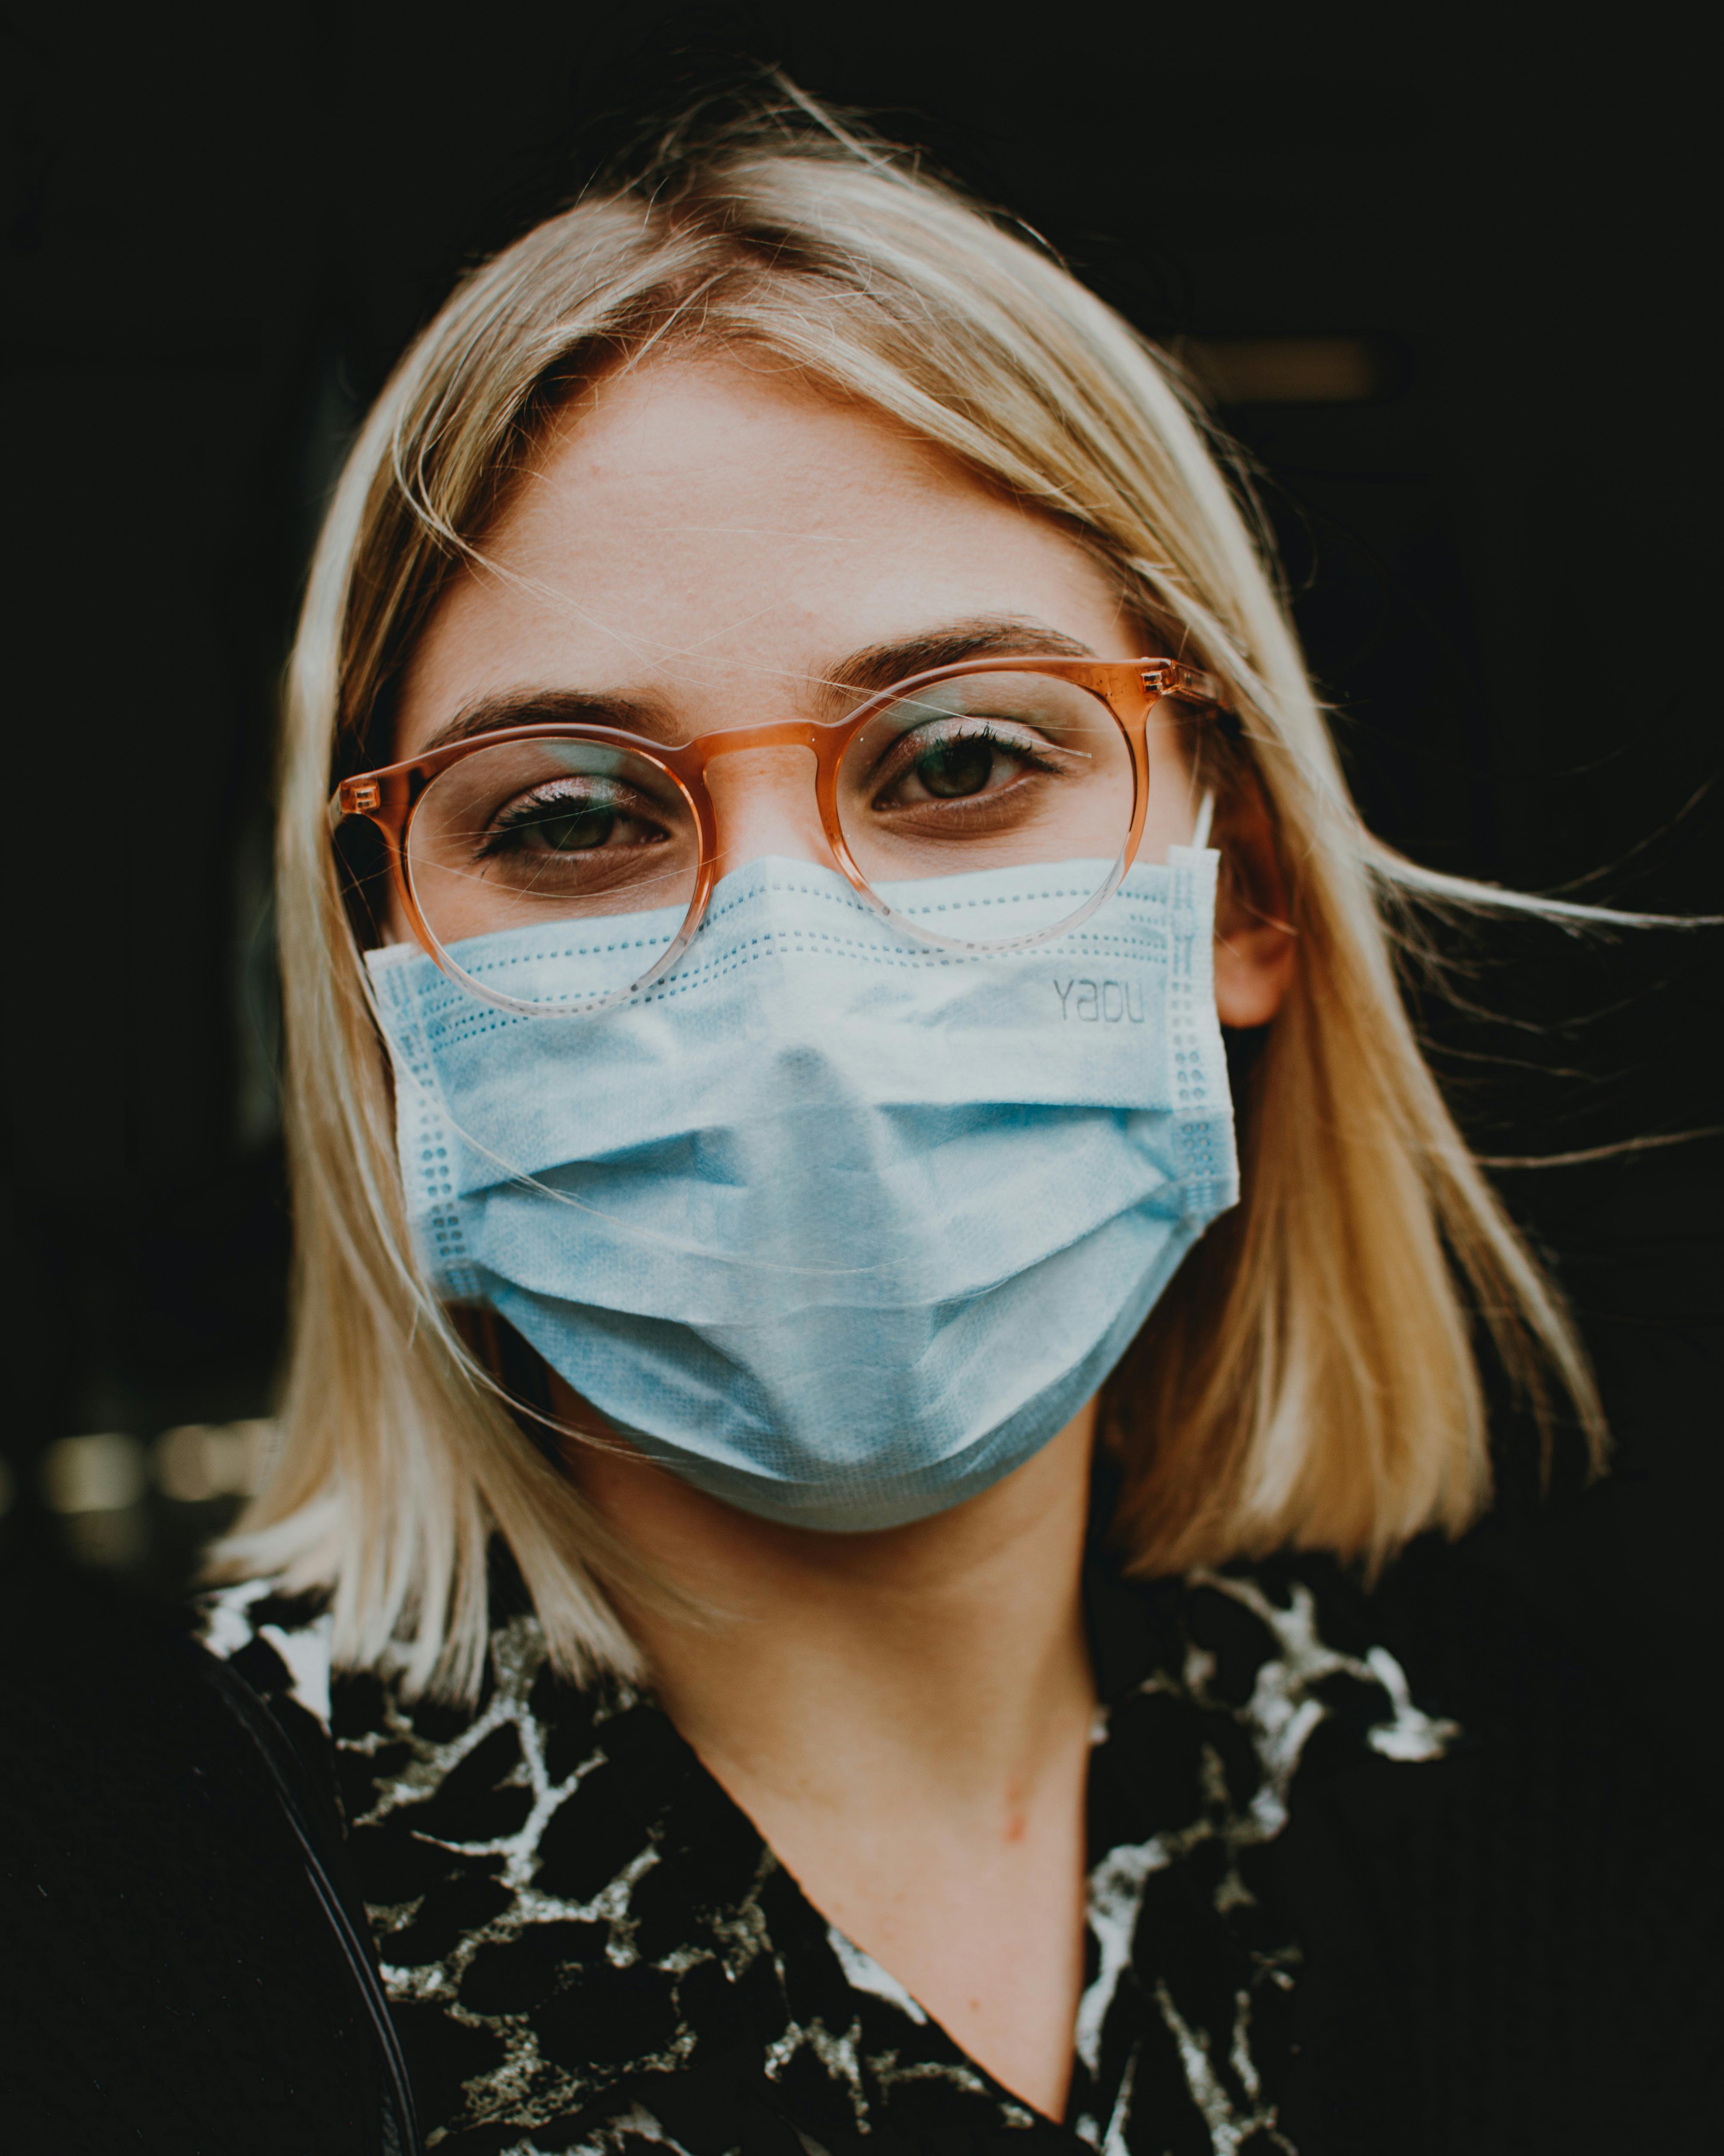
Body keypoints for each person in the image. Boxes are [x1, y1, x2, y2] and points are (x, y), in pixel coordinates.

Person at [25, 86, 1702, 2156]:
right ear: (383, 987)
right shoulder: (111, 1926)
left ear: (1243, 889)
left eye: (960, 761)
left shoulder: (1523, 1811)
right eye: (570, 816)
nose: (796, 990)